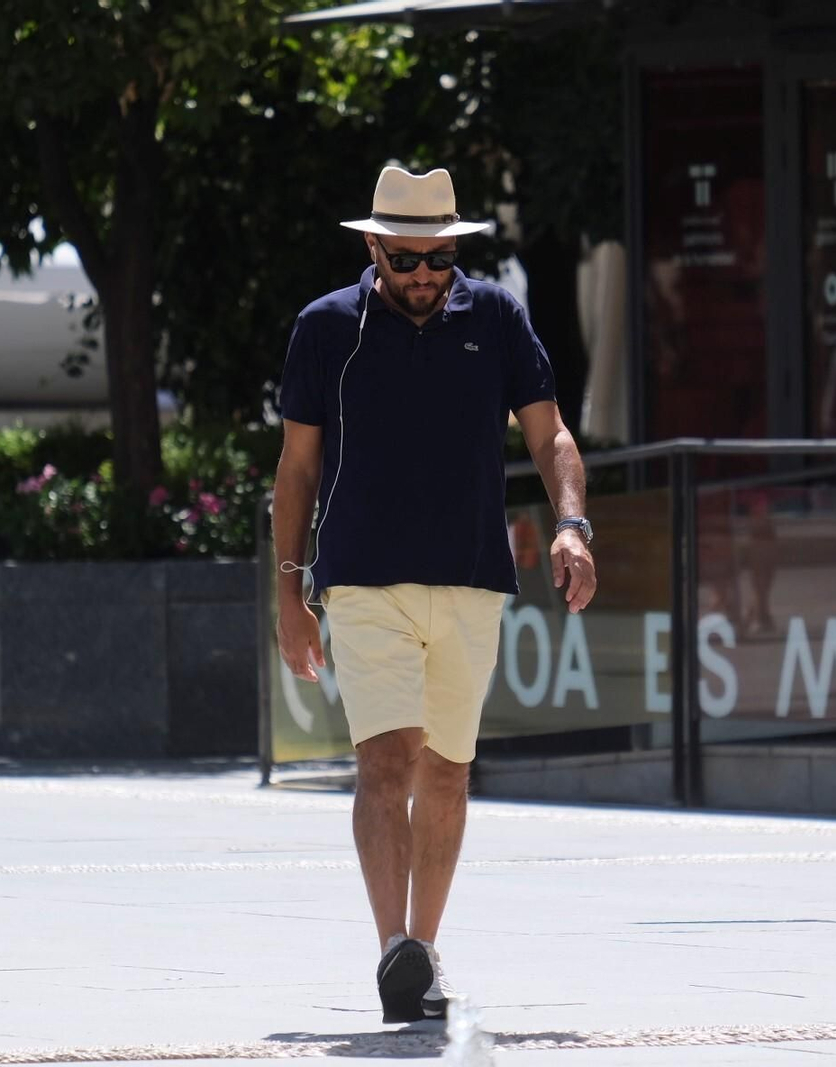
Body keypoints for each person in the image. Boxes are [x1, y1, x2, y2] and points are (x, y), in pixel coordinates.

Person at [273, 165, 597, 1023]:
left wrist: (571, 523)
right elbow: (297, 469)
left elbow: (552, 432)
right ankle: (394, 953)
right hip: (361, 580)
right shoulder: (324, 329)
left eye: (438, 260)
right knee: (387, 760)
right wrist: (286, 592)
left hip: (471, 576)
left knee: (448, 772)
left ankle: (425, 947)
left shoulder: (496, 317)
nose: (423, 276)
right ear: (373, 246)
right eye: (406, 259)